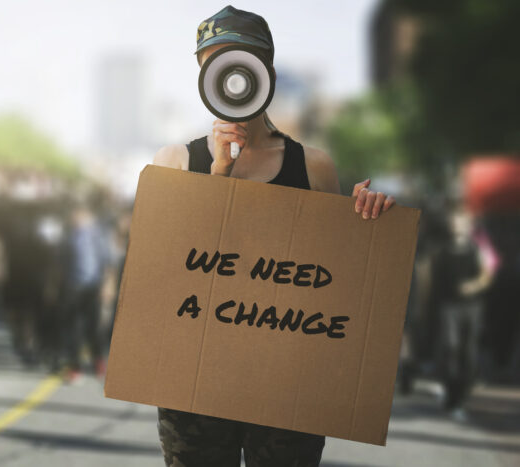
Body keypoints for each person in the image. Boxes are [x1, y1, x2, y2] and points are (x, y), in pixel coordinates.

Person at [152, 6, 396, 466]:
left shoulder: (313, 165)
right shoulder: (175, 162)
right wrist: (219, 174)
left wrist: (368, 225)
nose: (231, 77)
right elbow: (159, 270)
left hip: (287, 388)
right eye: (216, 65)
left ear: (267, 71)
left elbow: (336, 283)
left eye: (241, 62)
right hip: (197, 386)